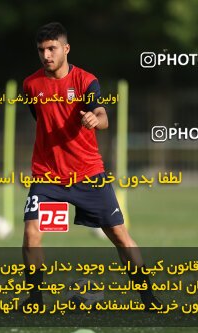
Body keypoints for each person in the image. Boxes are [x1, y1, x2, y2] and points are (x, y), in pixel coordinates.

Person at [21, 22, 160, 311]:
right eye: (41, 50)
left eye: (52, 49)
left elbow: (101, 112)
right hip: (48, 177)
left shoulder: (85, 81)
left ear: (66, 49)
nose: (46, 55)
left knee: (120, 237)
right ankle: (34, 300)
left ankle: (149, 299)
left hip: (88, 175)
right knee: (32, 234)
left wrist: (96, 120)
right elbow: (41, 119)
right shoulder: (31, 85)